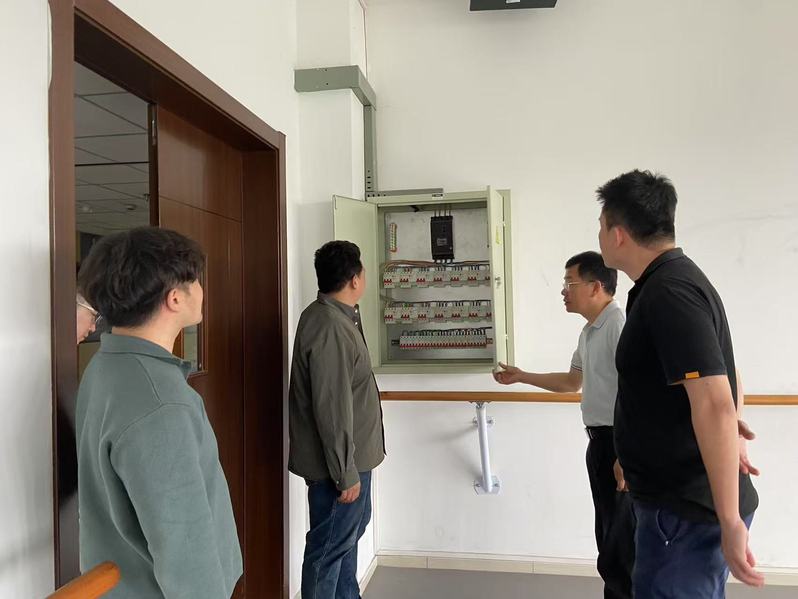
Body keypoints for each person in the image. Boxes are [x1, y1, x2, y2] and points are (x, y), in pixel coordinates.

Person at [596, 169, 762, 597]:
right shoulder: (667, 283)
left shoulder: (670, 292)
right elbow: (727, 374)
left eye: (601, 226)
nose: (599, 236)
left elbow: (714, 404)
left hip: (685, 513)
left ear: (618, 234)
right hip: (676, 506)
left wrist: (730, 520)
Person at [76, 227, 242, 598]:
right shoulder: (160, 402)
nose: (201, 289)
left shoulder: (105, 367)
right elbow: (185, 546)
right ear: (175, 298)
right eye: (195, 280)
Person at [494, 251, 634, 599]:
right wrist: (522, 376)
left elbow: (638, 390)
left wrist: (628, 454)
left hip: (620, 445)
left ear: (596, 286)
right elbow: (572, 382)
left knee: (623, 544)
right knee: (609, 537)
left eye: (570, 283)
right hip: (600, 444)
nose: (563, 291)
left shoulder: (618, 326)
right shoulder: (590, 330)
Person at [289, 240, 386, 599]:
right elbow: (331, 407)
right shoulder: (329, 326)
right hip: (339, 467)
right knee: (327, 551)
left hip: (352, 459)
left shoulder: (337, 317)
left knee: (345, 540)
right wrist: (345, 472)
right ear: (354, 279)